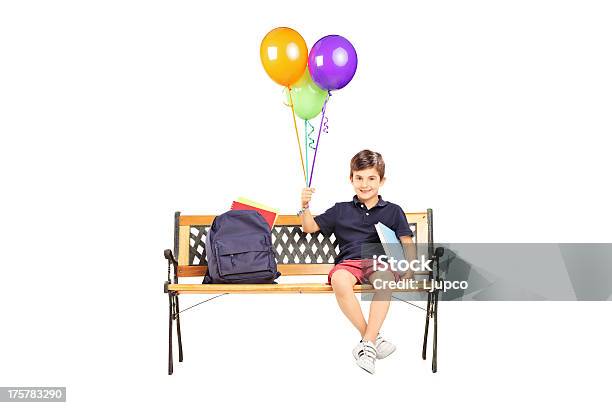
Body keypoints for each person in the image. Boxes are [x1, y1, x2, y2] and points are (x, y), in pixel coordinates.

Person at [298, 149, 416, 374]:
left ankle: (366, 344)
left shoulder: (393, 211)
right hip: (350, 263)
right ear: (351, 178)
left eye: (371, 178)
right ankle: (371, 342)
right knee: (340, 280)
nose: (365, 184)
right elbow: (309, 227)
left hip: (380, 263)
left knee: (385, 280)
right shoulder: (340, 210)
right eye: (359, 178)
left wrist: (410, 267)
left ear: (382, 180)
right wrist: (305, 206)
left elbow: (406, 241)